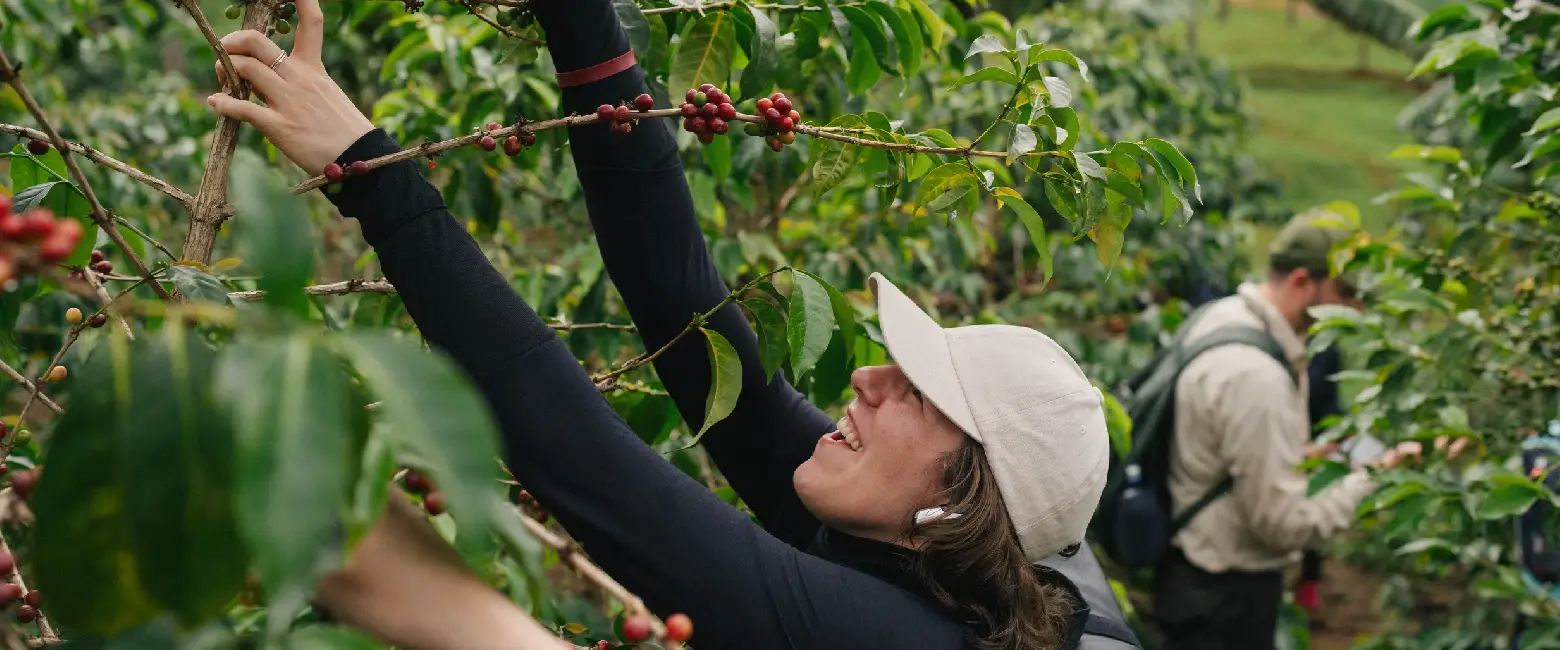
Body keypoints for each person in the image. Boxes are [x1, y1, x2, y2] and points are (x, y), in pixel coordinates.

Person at [205, 1, 1120, 647]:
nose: (865, 380)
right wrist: (582, 20)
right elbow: (683, 309)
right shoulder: (941, 550)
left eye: (916, 394)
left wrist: (377, 175)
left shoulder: (878, 636)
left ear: (957, 504)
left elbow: (594, 467)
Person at [1148, 212, 1409, 650]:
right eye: (1347, 292)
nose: (1358, 308)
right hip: (1225, 602)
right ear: (1304, 282)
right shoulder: (1256, 377)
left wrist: (1302, 453)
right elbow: (1283, 524)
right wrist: (1377, 475)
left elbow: (1223, 444)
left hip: (1191, 573)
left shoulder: (1222, 317)